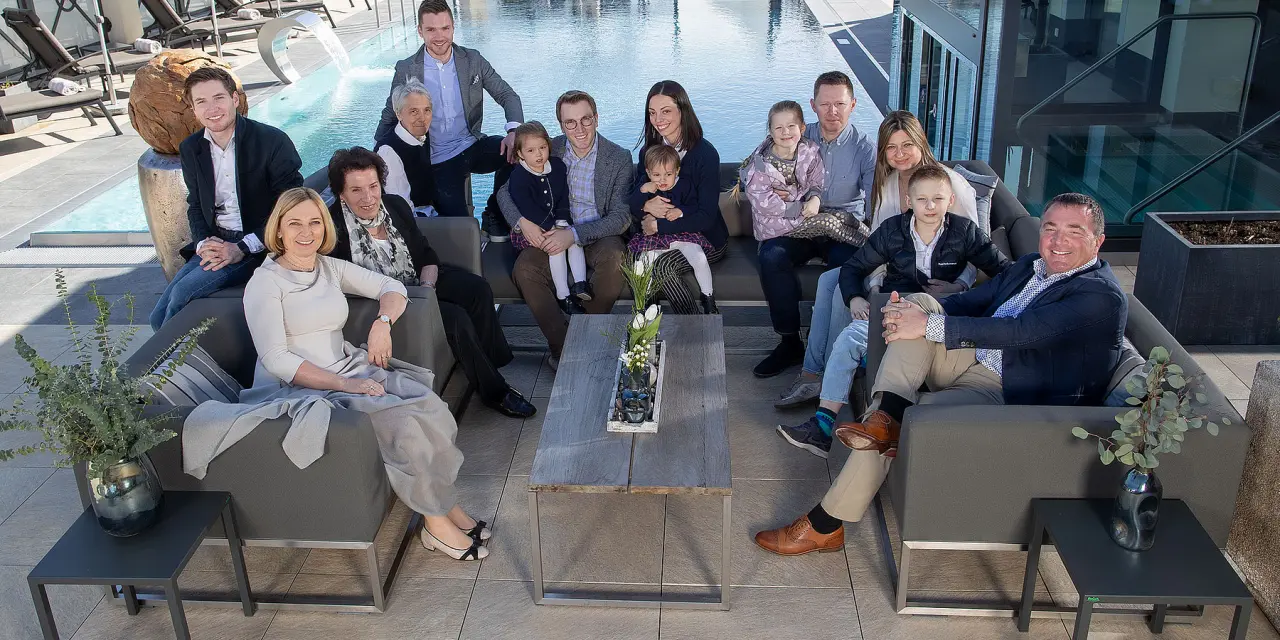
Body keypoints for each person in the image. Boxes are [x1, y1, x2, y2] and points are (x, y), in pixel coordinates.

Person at [754, 193, 1127, 555]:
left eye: (1074, 231)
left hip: (1015, 392)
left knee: (907, 414)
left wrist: (929, 327)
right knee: (919, 302)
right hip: (973, 358)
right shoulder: (1031, 266)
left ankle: (825, 523)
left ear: (1098, 241)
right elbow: (971, 301)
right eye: (1050, 228)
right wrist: (919, 315)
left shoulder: (1098, 297)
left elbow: (1020, 332)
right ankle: (885, 417)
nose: (1058, 240)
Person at [218, 187, 490, 560]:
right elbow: (276, 358)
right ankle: (435, 523)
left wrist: (382, 323)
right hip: (302, 385)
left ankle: (445, 504)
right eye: (294, 223)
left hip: (349, 366)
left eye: (314, 222)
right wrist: (347, 384)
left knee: (430, 406)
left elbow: (391, 287)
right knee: (405, 425)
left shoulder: (328, 267)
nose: (306, 232)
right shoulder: (265, 283)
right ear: (278, 230)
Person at [775, 165, 1009, 458]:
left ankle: (880, 413)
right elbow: (853, 268)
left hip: (941, 314)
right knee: (848, 339)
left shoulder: (965, 233)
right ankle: (822, 429)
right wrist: (855, 299)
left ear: (950, 201)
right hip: (895, 307)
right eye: (922, 199)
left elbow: (1006, 274)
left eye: (938, 199)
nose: (930, 206)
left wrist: (960, 287)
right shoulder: (892, 231)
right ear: (909, 202)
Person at [774, 110, 981, 409]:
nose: (900, 155)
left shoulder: (950, 185)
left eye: (907, 145)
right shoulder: (887, 184)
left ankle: (828, 374)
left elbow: (976, 245)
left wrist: (960, 285)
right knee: (829, 280)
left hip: (938, 282)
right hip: (894, 271)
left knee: (843, 289)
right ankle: (812, 372)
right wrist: (873, 285)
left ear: (921, 143)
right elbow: (880, 244)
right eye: (891, 148)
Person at [326, 147, 536, 419]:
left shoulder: (395, 206)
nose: (368, 198)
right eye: (356, 190)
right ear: (341, 193)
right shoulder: (332, 229)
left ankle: (488, 362)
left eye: (373, 186)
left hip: (417, 279)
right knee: (455, 317)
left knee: (477, 289)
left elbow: (425, 254)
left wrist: (427, 288)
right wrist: (421, 302)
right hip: (382, 302)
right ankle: (495, 391)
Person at [150, 66, 303, 331]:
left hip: (259, 244)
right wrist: (203, 244)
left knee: (181, 295)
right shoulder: (191, 148)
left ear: (234, 99)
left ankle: (161, 366)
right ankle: (168, 363)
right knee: (157, 316)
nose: (212, 108)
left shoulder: (271, 141)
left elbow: (290, 209)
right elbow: (195, 205)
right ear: (193, 109)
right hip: (218, 241)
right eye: (201, 102)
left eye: (218, 98)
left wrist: (240, 248)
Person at [754, 71, 876, 378]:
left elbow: (875, 200)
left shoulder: (864, 148)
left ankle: (834, 351)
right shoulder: (794, 137)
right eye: (825, 104)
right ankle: (789, 341)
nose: (832, 112)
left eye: (840, 104)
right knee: (771, 255)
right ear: (813, 105)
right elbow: (760, 169)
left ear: (853, 105)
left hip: (841, 227)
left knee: (841, 271)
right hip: (802, 223)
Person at [497, 90, 633, 363]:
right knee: (525, 269)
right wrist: (522, 223)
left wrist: (573, 235)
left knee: (616, 260)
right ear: (561, 125)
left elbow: (621, 217)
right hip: (547, 232)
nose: (579, 128)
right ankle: (562, 348)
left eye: (585, 119)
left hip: (595, 233)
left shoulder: (618, 157)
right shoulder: (547, 149)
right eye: (570, 122)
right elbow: (504, 192)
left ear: (596, 118)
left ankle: (585, 334)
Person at [375, 0, 523, 240]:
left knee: (521, 151)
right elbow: (391, 113)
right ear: (420, 30)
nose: (439, 36)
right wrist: (375, 156)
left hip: (471, 144)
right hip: (437, 159)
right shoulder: (407, 69)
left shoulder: (472, 60)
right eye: (431, 30)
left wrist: (514, 131)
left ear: (453, 27)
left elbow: (508, 95)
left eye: (445, 28)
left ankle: (494, 214)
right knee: (465, 232)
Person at [632, 80, 729, 314]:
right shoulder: (650, 151)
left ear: (683, 111)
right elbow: (634, 200)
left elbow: (705, 216)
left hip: (704, 237)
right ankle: (648, 322)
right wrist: (646, 205)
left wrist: (658, 225)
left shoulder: (705, 154)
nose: (658, 119)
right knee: (636, 262)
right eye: (652, 113)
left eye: (666, 111)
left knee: (663, 267)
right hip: (661, 235)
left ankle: (696, 325)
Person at [740, 100, 864, 247]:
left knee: (844, 216)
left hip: (802, 210)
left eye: (791, 126)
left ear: (802, 128)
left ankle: (874, 236)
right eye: (779, 128)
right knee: (829, 223)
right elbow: (764, 205)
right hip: (776, 224)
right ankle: (868, 247)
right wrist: (799, 208)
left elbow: (816, 179)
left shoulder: (808, 151)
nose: (785, 132)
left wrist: (815, 199)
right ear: (771, 132)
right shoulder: (760, 167)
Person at [506, 121, 590, 314]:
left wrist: (562, 220)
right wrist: (551, 227)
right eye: (531, 150)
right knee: (556, 248)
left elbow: (563, 195)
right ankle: (563, 296)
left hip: (556, 222)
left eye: (542, 148)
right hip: (535, 227)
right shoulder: (519, 176)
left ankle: (580, 284)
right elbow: (526, 207)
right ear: (520, 154)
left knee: (574, 240)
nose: (538, 155)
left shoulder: (557, 167)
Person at [629, 145, 717, 314]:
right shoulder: (647, 187)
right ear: (648, 172)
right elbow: (632, 205)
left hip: (683, 236)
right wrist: (642, 192)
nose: (662, 180)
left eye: (668, 174)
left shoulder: (684, 185)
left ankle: (708, 297)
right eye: (656, 175)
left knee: (698, 257)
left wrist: (681, 211)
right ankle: (644, 302)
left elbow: (694, 206)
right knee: (644, 263)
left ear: (677, 170)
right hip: (656, 239)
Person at [374, 78, 438, 216]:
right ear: (398, 114)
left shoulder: (421, 135)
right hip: (414, 221)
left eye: (427, 110)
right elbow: (401, 207)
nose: (422, 118)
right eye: (414, 111)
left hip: (429, 210)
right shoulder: (389, 151)